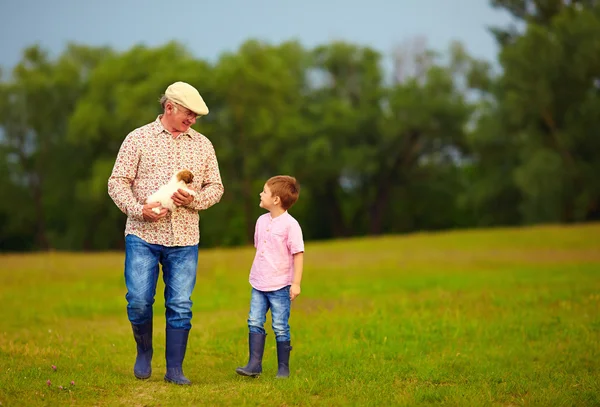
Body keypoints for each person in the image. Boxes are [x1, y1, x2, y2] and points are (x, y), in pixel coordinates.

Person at [108, 81, 224, 385]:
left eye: (196, 116)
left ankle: (175, 370)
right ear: (169, 107)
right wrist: (138, 209)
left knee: (181, 305)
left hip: (185, 238)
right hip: (142, 234)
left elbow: (216, 187)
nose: (193, 120)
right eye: (189, 113)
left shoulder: (203, 145)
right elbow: (117, 182)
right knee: (138, 300)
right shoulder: (138, 139)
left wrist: (195, 200)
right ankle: (144, 351)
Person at [236, 175, 304, 379]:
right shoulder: (260, 221)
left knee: (280, 326)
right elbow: (260, 247)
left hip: (280, 285)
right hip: (258, 283)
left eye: (264, 191)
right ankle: (254, 364)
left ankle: (283, 368)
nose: (260, 194)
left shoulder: (290, 225)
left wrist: (296, 283)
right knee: (254, 321)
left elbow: (298, 253)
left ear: (276, 199)